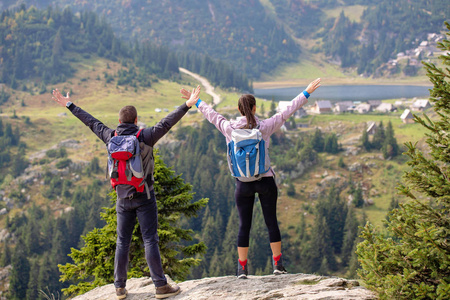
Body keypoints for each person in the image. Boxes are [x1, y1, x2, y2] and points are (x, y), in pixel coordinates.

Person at [52, 86, 201, 299]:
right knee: (150, 239)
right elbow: (167, 122)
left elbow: (91, 122)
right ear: (136, 120)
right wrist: (188, 104)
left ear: (120, 121)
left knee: (122, 241)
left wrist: (69, 104)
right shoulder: (146, 136)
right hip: (145, 196)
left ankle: (119, 288)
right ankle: (160, 286)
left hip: (122, 198)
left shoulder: (109, 136)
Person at [180, 78, 321, 278]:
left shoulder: (229, 128)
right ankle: (278, 265)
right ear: (254, 109)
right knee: (271, 222)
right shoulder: (264, 127)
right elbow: (286, 111)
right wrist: (306, 93)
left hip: (243, 184)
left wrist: (197, 101)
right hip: (265, 181)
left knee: (243, 225)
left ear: (239, 110)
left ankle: (242, 269)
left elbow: (212, 116)